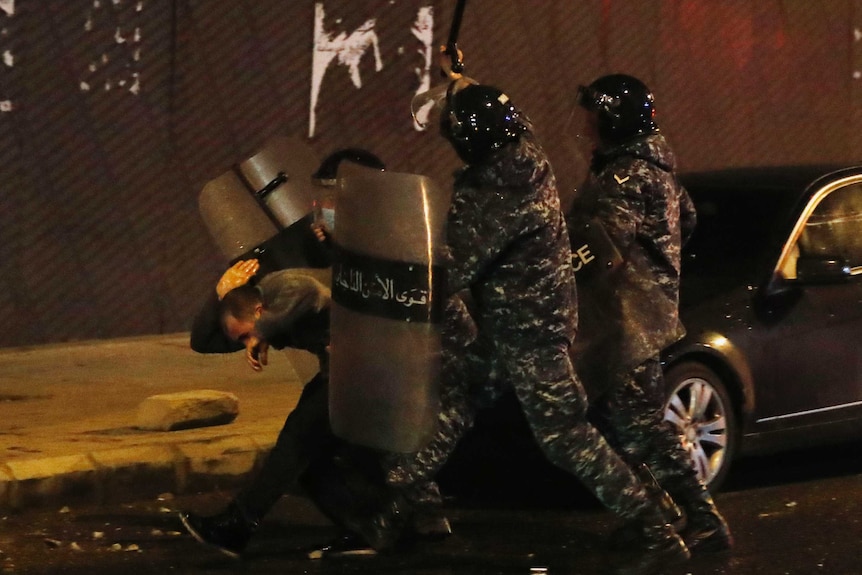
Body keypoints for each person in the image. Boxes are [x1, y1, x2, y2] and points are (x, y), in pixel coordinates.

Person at [383, 77, 692, 575]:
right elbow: (507, 116)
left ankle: (655, 529)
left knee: (566, 437)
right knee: (458, 395)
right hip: (513, 329)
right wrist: (464, 84)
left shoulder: (497, 194)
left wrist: (390, 261)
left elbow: (455, 266)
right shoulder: (523, 155)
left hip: (530, 335)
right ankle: (402, 495)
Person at [179, 259, 450, 559]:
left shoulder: (281, 286)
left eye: (244, 335)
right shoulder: (262, 317)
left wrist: (262, 332)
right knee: (312, 464)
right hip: (348, 372)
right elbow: (203, 341)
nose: (247, 345)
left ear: (258, 311)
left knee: (299, 435)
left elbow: (308, 293)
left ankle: (238, 524)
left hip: (376, 363)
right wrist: (219, 293)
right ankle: (374, 527)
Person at [569, 73, 732, 554]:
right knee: (622, 423)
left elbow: (603, 245)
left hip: (627, 318)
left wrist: (554, 262)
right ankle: (660, 513)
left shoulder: (626, 175)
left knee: (638, 426)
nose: (589, 129)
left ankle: (700, 519)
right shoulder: (655, 168)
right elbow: (689, 219)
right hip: (642, 314)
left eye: (595, 119)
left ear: (616, 122)